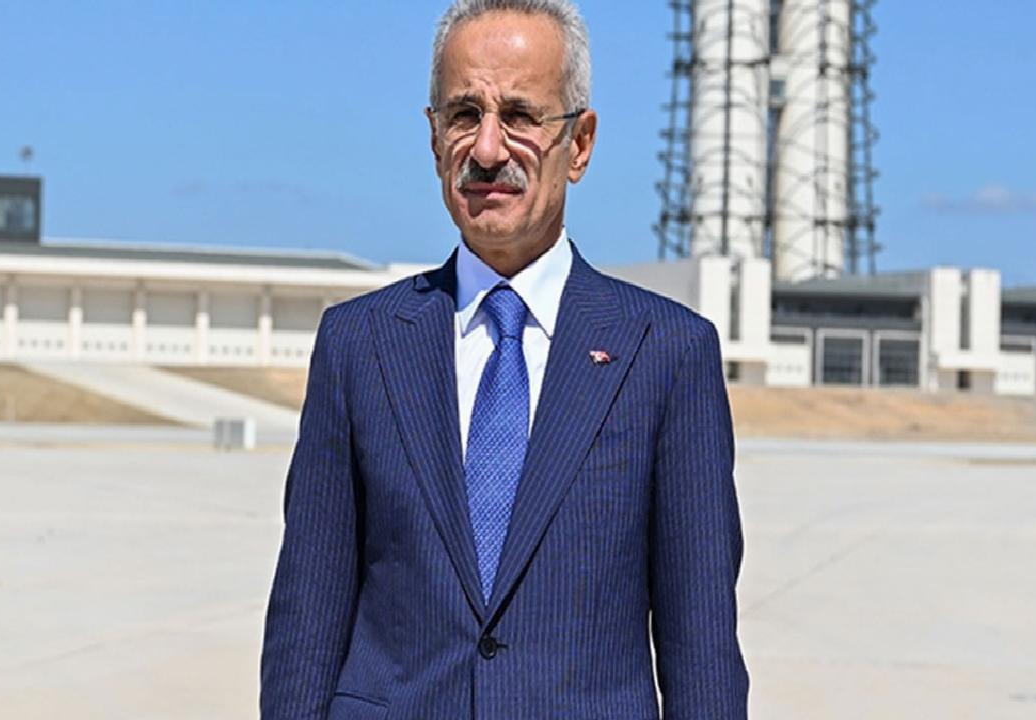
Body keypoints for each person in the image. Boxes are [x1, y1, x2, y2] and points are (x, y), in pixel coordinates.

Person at [260, 0, 748, 717]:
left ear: (579, 144)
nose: (487, 150)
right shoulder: (358, 346)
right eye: (465, 115)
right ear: (434, 138)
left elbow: (701, 651)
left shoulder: (667, 355)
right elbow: (307, 620)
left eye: (520, 116)